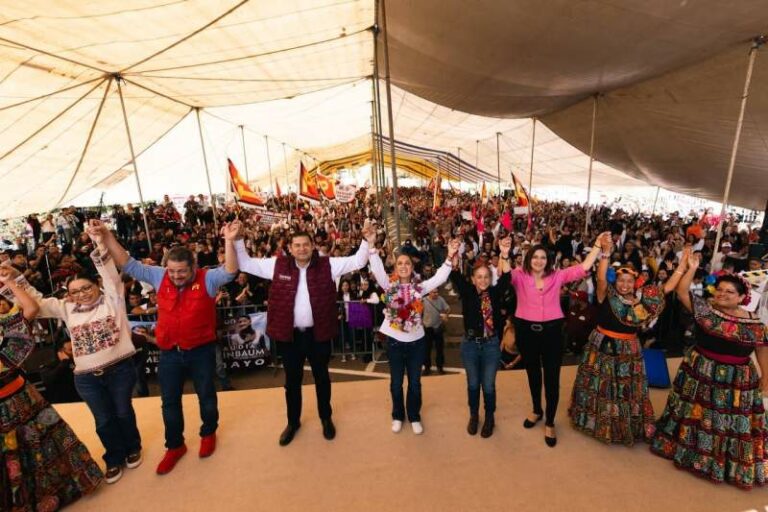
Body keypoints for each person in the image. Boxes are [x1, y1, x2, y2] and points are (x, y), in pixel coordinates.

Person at [98, 220, 238, 474]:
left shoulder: (208, 278)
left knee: (206, 395)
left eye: (181, 271)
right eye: (172, 271)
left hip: (201, 351)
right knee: (169, 402)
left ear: (193, 267)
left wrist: (229, 240)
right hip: (169, 353)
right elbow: (127, 263)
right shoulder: (158, 275)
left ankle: (208, 433)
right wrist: (107, 235)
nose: (175, 276)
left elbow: (229, 271)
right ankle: (175, 446)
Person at [234, 219, 377, 446]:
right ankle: (293, 422)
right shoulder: (277, 265)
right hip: (289, 337)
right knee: (292, 382)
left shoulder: (327, 265)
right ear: (290, 249)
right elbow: (245, 263)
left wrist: (366, 241)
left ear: (312, 246)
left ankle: (326, 418)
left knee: (322, 378)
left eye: (305, 245)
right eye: (297, 245)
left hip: (318, 335)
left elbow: (358, 260)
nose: (302, 249)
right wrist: (238, 239)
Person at [28, 221, 142, 484]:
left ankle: (132, 447)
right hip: (87, 378)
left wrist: (100, 242)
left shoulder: (112, 300)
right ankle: (114, 457)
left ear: (97, 287)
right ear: (68, 296)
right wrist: (12, 281)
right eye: (75, 292)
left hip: (120, 371)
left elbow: (111, 276)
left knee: (122, 412)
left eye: (86, 288)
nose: (81, 294)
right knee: (103, 420)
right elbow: (37, 302)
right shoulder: (66, 309)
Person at [650, 254, 768, 489]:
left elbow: (762, 350)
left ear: (742, 297)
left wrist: (766, 375)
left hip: (736, 379)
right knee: (695, 412)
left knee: (727, 420)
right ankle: (690, 451)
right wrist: (692, 268)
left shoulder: (756, 324)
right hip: (701, 370)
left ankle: (722, 461)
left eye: (729, 292)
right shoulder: (706, 311)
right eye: (720, 290)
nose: (722, 294)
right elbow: (682, 292)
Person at [0, 268, 103, 509]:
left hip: (23, 396)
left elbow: (31, 309)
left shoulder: (3, 324)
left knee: (45, 441)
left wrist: (9, 282)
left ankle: (61, 492)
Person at [567, 239, 686, 446]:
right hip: (602, 345)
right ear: (615, 281)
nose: (624, 285)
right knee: (599, 385)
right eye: (621, 280)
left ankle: (623, 425)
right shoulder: (607, 295)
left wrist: (682, 266)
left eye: (629, 281)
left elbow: (666, 288)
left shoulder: (643, 302)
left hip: (629, 349)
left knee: (625, 389)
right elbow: (601, 278)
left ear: (636, 282)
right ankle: (597, 422)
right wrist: (605, 253)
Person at [511, 232, 611, 447]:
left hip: (552, 333)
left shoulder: (557, 276)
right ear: (528, 259)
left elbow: (584, 267)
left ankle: (550, 422)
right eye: (535, 257)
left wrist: (596, 245)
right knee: (532, 374)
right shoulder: (519, 275)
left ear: (548, 261)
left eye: (543, 257)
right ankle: (536, 410)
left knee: (552, 378)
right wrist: (503, 254)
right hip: (526, 332)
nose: (539, 261)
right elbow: (501, 275)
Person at [369, 238, 459, 435]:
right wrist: (371, 246)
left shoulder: (421, 288)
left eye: (407, 263)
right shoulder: (388, 285)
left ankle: (414, 416)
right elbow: (377, 269)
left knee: (415, 383)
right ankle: (397, 415)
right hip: (394, 343)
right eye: (400, 263)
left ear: (412, 267)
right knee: (396, 384)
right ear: (395, 267)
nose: (403, 266)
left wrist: (450, 256)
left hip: (417, 343)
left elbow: (439, 278)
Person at [450, 236, 511, 437]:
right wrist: (453, 254)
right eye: (479, 277)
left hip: (491, 345)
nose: (483, 280)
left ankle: (490, 417)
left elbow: (507, 277)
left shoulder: (495, 293)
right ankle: (474, 415)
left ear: (490, 279)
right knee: (473, 384)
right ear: (473, 279)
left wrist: (504, 254)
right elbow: (455, 274)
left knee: (489, 386)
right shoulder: (467, 292)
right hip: (470, 346)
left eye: (486, 277)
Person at [422, 288, 450, 375]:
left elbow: (448, 308)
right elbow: (418, 311)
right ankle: (427, 367)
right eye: (434, 292)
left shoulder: (441, 299)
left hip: (438, 327)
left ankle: (440, 367)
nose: (436, 294)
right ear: (429, 293)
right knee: (426, 349)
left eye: (437, 292)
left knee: (440, 349)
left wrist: (446, 315)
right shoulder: (424, 300)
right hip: (427, 327)